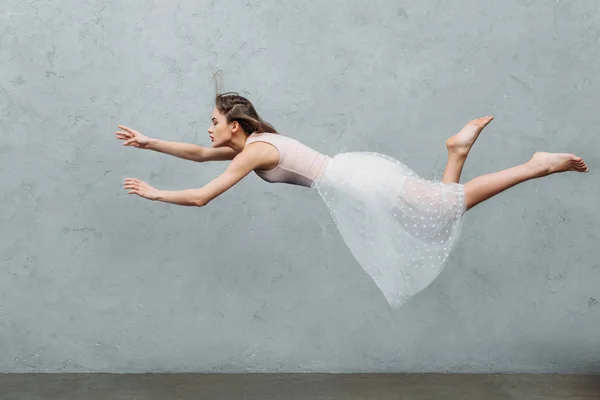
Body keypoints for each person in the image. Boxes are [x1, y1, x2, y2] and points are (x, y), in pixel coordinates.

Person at [116, 92, 588, 308]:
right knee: (436, 220)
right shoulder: (248, 144)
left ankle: (537, 164)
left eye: (213, 121)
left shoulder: (256, 149)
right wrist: (149, 141)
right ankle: (458, 150)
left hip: (358, 183)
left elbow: (202, 197)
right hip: (353, 181)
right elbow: (199, 155)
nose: (208, 129)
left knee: (446, 209)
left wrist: (156, 193)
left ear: (233, 126)